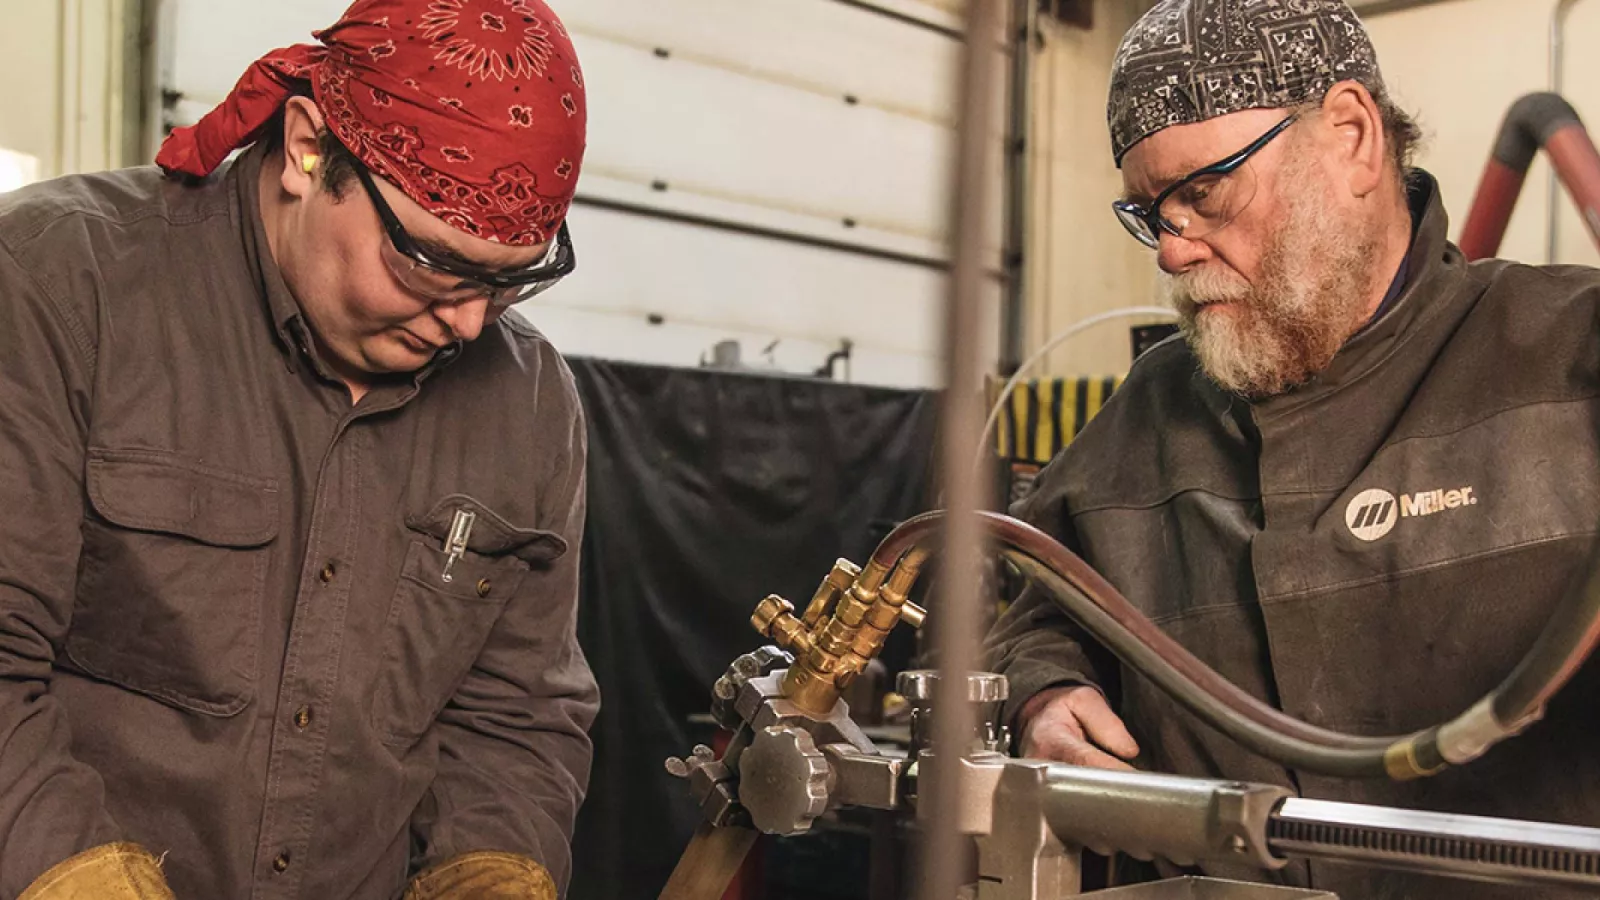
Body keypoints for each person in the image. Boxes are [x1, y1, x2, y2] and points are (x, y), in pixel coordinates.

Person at [986, 1, 1600, 897]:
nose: (1168, 250)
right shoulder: (1148, 419)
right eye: (1148, 212)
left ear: (1351, 137)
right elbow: (1007, 606)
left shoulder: (1568, 361)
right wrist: (1039, 691)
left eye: (1203, 193)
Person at [0, 1, 597, 897]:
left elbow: (515, 716)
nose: (471, 323)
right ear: (310, 149)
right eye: (432, 264)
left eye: (510, 281)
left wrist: (492, 869)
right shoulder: (57, 286)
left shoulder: (532, 403)